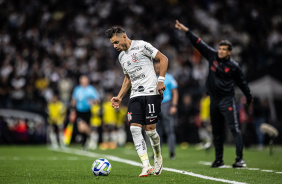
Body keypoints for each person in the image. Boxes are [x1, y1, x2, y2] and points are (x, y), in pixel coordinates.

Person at [175, 20, 253, 168]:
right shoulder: (212, 56)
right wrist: (186, 31)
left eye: (224, 49)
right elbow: (198, 43)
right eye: (220, 48)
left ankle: (240, 159)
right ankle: (219, 160)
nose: (221, 51)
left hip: (227, 100)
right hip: (214, 100)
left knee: (234, 128)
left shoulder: (234, 66)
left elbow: (242, 83)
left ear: (229, 52)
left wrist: (249, 97)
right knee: (216, 131)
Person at [105, 26, 168, 177]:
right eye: (112, 43)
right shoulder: (121, 57)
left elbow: (163, 58)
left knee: (150, 130)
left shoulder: (142, 45)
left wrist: (161, 80)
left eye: (116, 42)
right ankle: (146, 165)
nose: (114, 46)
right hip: (135, 95)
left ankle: (158, 156)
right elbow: (128, 78)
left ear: (124, 37)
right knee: (134, 128)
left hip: (152, 92)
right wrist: (119, 96)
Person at [154, 61, 178, 159]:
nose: (157, 69)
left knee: (169, 130)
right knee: (155, 131)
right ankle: (157, 153)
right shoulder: (151, 77)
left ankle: (172, 152)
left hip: (166, 104)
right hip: (155, 104)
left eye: (159, 67)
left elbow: (175, 92)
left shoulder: (169, 77)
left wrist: (174, 105)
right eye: (156, 67)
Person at [71, 75, 100, 150]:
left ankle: (85, 143)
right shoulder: (77, 89)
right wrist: (72, 111)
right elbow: (74, 100)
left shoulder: (91, 89)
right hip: (79, 111)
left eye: (84, 80)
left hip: (88, 111)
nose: (83, 81)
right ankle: (92, 136)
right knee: (81, 128)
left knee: (85, 128)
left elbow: (97, 100)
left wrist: (92, 101)